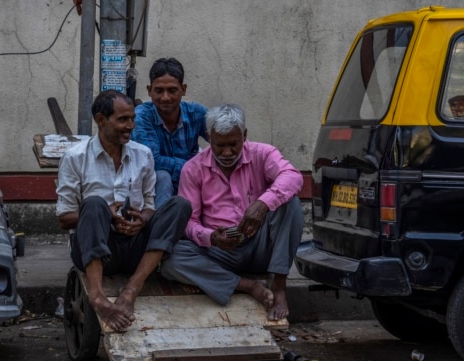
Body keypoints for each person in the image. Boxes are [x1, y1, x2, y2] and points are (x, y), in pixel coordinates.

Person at [56, 89, 191, 331]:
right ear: (101, 120)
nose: (130, 125)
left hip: (134, 248)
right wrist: (108, 214)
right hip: (96, 249)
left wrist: (143, 220)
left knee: (179, 205)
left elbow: (150, 205)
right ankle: (97, 296)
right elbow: (65, 218)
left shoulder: (143, 154)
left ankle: (132, 289)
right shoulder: (75, 157)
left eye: (132, 119)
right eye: (122, 120)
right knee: (95, 203)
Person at [160, 104, 304, 321]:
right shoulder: (193, 168)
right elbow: (189, 222)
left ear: (244, 136)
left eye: (233, 145)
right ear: (209, 137)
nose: (227, 153)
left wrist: (263, 204)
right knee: (171, 260)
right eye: (219, 145)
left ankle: (279, 284)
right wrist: (211, 237)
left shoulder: (263, 153)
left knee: (290, 204)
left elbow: (293, 177)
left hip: (259, 245)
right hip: (219, 252)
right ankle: (247, 286)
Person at [131, 57, 208, 208]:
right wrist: (196, 168)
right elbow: (153, 161)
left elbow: (223, 140)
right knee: (162, 176)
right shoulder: (142, 116)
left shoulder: (196, 113)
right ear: (149, 91)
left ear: (183, 89)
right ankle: (162, 227)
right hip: (151, 191)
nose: (165, 97)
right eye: (159, 91)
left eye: (172, 90)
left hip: (191, 184)